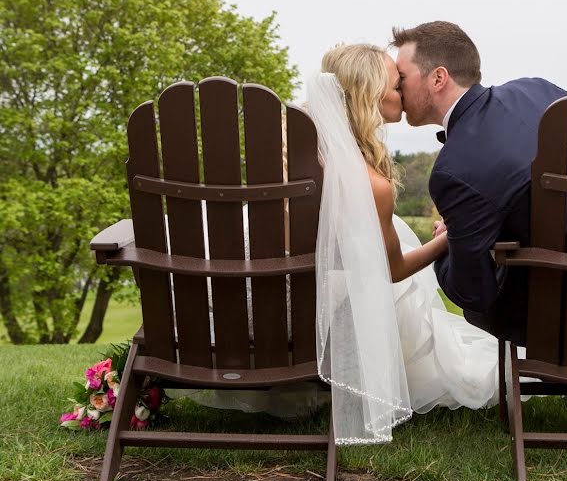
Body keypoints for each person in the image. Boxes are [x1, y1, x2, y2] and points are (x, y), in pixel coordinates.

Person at [178, 44, 503, 444]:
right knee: (394, 256)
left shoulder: (279, 156)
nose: (403, 91)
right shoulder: (372, 186)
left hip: (243, 310)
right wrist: (446, 240)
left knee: (387, 236)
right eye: (396, 84)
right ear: (370, 97)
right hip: (309, 320)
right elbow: (394, 271)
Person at [392, 21, 567, 346]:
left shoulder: (453, 170)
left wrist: (448, 242)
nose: (396, 87)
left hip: (562, 313)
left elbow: (473, 293)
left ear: (438, 78)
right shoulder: (539, 90)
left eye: (401, 78)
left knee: (480, 309)